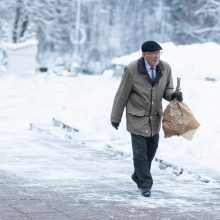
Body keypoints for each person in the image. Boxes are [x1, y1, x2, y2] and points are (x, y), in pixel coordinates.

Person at [110, 40, 183, 197]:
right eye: (153, 53)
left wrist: (174, 95)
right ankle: (145, 184)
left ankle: (138, 175)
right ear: (144, 55)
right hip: (136, 117)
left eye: (159, 53)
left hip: (154, 119)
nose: (157, 57)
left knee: (151, 150)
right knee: (140, 153)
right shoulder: (132, 69)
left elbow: (167, 90)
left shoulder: (165, 68)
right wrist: (115, 117)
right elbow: (121, 94)